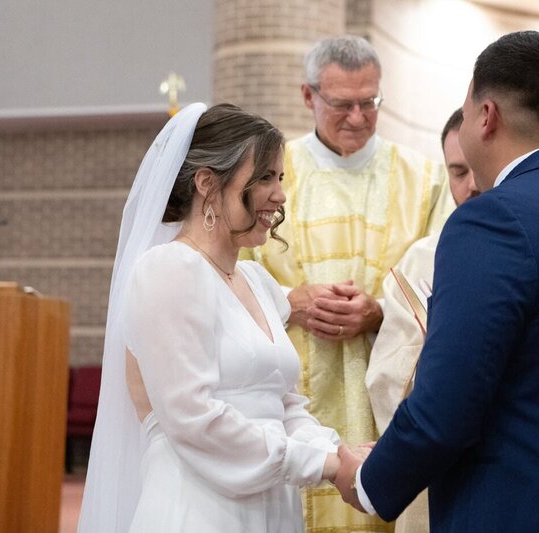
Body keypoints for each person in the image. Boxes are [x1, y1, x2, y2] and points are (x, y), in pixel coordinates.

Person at [336, 30, 539, 532]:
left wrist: (369, 481)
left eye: (463, 113)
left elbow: (446, 407)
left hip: (524, 512)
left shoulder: (493, 221)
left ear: (486, 117)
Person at [78, 103, 342, 533]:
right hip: (199, 509)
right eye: (263, 178)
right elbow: (195, 417)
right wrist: (320, 465)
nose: (278, 195)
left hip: (273, 508)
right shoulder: (168, 270)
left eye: (280, 178)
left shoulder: (257, 281)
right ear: (207, 183)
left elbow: (287, 403)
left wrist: (339, 453)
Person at [244, 34, 454, 532]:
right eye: (341, 104)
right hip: (288, 392)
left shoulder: (423, 179)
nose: (357, 117)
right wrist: (291, 302)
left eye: (370, 103)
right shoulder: (270, 173)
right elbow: (231, 268)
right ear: (308, 96)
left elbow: (445, 282)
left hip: (386, 393)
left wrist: (381, 310)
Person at [364, 107, 477, 533]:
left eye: (477, 169)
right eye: (457, 172)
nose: (470, 186)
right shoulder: (422, 260)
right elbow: (386, 376)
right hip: (440, 469)